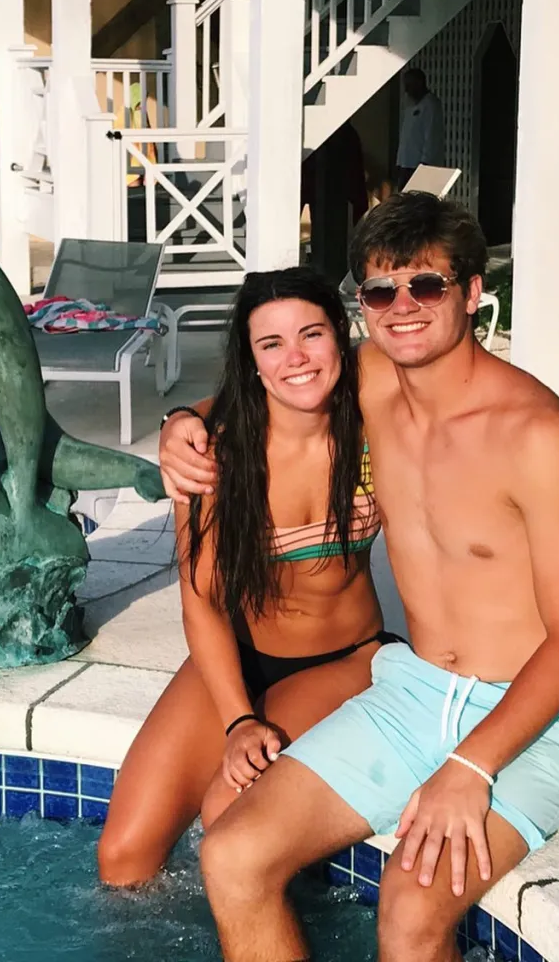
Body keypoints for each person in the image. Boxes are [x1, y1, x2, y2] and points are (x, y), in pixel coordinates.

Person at [159, 193, 559, 961]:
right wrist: (183, 420)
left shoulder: (537, 435)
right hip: (416, 693)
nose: (403, 308)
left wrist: (470, 767)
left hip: (541, 715)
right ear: (362, 306)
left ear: (471, 292)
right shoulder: (372, 382)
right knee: (231, 854)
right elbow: (268, 378)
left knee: (408, 911)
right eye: (380, 291)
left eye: (427, 286)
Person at [97, 266, 404, 887]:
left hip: (343, 657)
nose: (296, 357)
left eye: (312, 335)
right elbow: (203, 602)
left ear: (340, 339)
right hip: (238, 654)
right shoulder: (211, 454)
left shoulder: (375, 420)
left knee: (226, 810)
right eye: (272, 344)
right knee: (122, 859)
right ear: (251, 359)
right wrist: (238, 720)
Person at [395, 68, 445, 191]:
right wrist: (399, 161)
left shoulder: (431, 105)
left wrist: (425, 164)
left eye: (409, 85)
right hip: (405, 164)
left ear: (419, 83)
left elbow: (432, 137)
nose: (406, 90)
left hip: (420, 166)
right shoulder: (409, 105)